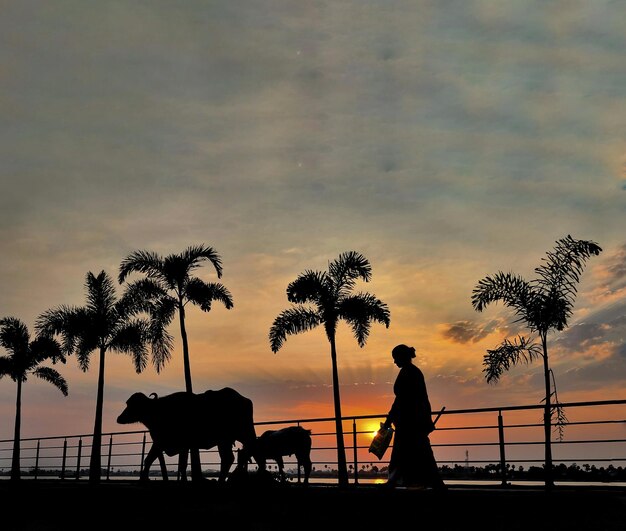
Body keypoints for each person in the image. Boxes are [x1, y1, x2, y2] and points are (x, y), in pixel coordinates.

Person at [382, 343, 446, 490]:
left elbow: (401, 400)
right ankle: (434, 483)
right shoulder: (412, 371)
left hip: (410, 422)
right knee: (415, 452)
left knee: (406, 453)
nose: (394, 362)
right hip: (412, 421)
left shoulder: (408, 373)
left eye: (395, 358)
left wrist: (389, 419)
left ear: (401, 357)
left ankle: (395, 482)